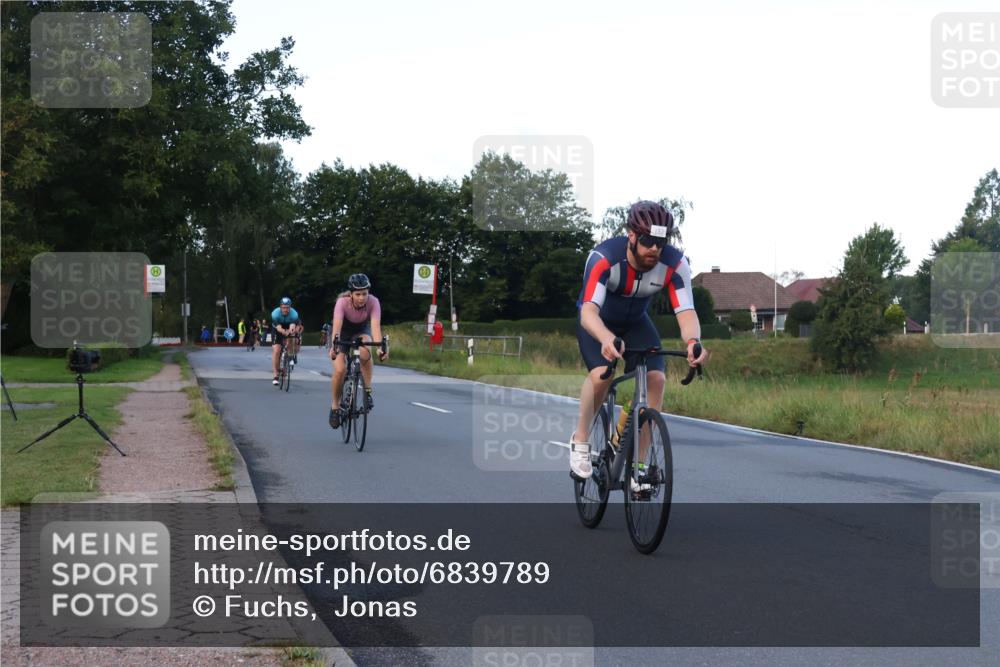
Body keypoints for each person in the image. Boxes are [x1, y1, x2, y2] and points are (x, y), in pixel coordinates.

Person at [570, 200, 708, 487]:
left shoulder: (675, 265)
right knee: (601, 377)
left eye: (661, 241)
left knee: (656, 379)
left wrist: (694, 341)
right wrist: (606, 338)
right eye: (647, 241)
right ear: (631, 235)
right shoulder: (603, 258)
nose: (655, 249)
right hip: (598, 324)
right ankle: (580, 439)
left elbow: (686, 312)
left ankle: (638, 465)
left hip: (636, 324)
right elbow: (588, 311)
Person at [328, 274, 388, 428]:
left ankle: (367, 391)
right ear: (351, 294)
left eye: (365, 294)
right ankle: (335, 406)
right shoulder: (342, 302)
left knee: (366, 350)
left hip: (361, 330)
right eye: (358, 294)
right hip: (342, 332)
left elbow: (375, 327)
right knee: (340, 370)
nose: (362, 298)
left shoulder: (374, 302)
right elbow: (337, 326)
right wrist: (334, 347)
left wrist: (381, 348)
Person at [270, 297, 304, 385]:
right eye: (283, 307)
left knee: (293, 337)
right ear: (280, 307)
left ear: (290, 307)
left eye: (287, 307)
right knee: (276, 350)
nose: (285, 309)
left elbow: (293, 326)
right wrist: (284, 332)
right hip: (278, 328)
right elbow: (279, 328)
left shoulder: (294, 314)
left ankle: (290, 355)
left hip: (289, 325)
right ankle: (275, 375)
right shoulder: (275, 314)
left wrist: (291, 331)